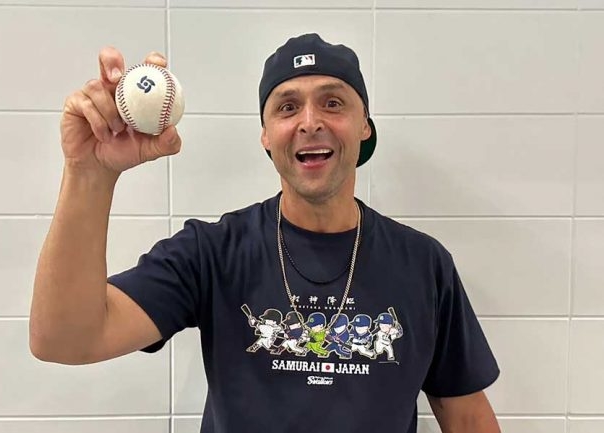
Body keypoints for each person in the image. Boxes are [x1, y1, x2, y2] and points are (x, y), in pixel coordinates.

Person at [30, 33, 501, 433]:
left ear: (364, 126)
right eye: (287, 107)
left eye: (333, 103)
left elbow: (467, 419)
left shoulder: (423, 264)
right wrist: (89, 173)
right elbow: (62, 339)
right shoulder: (212, 253)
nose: (310, 122)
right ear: (266, 135)